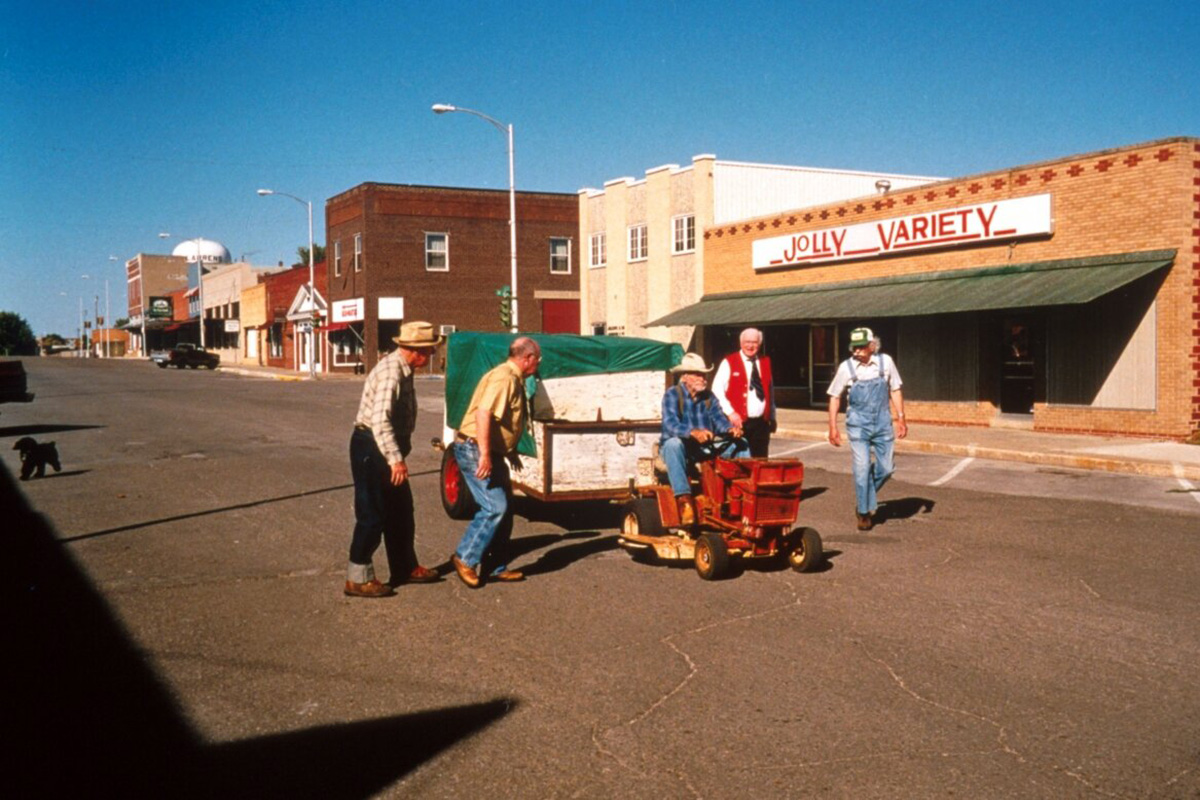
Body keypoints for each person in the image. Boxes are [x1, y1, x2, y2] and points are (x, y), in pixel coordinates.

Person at [344, 321, 444, 598]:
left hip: (386, 448)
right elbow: (379, 421)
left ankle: (404, 566)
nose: (432, 355)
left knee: (401, 510)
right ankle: (358, 577)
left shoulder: (405, 368)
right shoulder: (391, 372)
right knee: (372, 514)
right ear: (417, 351)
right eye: (430, 350)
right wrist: (395, 459)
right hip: (372, 446)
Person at [449, 337, 541, 588]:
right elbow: (484, 414)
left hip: (489, 450)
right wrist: (485, 455)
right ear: (527, 359)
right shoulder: (505, 378)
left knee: (505, 509)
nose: (539, 363)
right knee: (494, 507)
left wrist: (507, 451)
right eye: (537, 359)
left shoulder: (511, 377)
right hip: (475, 449)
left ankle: (496, 565)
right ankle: (465, 558)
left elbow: (502, 421)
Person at [826, 327, 908, 531]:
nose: (856, 351)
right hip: (857, 424)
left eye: (861, 347)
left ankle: (864, 495)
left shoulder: (886, 362)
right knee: (861, 468)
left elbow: (895, 389)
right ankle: (863, 512)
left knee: (887, 468)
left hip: (882, 422)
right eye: (853, 347)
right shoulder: (846, 368)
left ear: (872, 346)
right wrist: (832, 426)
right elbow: (835, 397)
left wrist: (901, 418)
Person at [660, 352, 750, 525]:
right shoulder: (672, 394)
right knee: (673, 444)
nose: (702, 378)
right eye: (698, 374)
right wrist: (693, 432)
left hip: (704, 448)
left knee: (741, 443)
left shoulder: (709, 397)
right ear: (685, 376)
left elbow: (719, 420)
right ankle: (684, 500)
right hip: (682, 448)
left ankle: (743, 492)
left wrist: (731, 429)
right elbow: (670, 424)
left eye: (703, 374)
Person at [712, 327, 777, 457]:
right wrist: (730, 413)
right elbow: (716, 390)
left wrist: (772, 416)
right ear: (741, 343)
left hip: (761, 423)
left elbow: (770, 391)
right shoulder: (729, 362)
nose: (750, 346)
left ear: (759, 344)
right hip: (738, 423)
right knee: (739, 462)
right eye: (747, 342)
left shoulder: (765, 362)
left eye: (754, 342)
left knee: (760, 461)